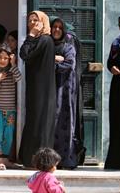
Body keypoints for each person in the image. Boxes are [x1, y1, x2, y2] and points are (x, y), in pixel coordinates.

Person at [19, 11, 56, 168]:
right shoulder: (37, 40)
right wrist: (32, 37)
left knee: (41, 122)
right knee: (34, 120)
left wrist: (31, 35)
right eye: (30, 21)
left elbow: (25, 55)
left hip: (43, 90)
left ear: (43, 22)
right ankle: (30, 158)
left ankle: (42, 162)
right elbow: (24, 53)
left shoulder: (45, 40)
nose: (33, 23)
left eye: (36, 20)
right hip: (35, 88)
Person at [50, 17, 78, 169]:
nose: (57, 30)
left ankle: (64, 158)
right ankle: (49, 159)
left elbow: (69, 64)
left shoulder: (68, 47)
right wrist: (53, 59)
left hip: (64, 89)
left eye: (60, 28)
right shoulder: (47, 45)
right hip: (48, 88)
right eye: (54, 27)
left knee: (64, 121)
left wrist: (53, 63)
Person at [0, 45, 22, 170]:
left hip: (10, 110)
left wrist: (13, 65)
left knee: (8, 135)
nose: (2, 60)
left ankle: (6, 159)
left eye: (6, 58)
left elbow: (19, 78)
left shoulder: (13, 71)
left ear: (10, 59)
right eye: (0, 58)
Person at [105, 11, 120, 169]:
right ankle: (117, 160)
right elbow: (110, 61)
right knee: (118, 121)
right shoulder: (116, 42)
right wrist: (111, 67)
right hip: (118, 86)